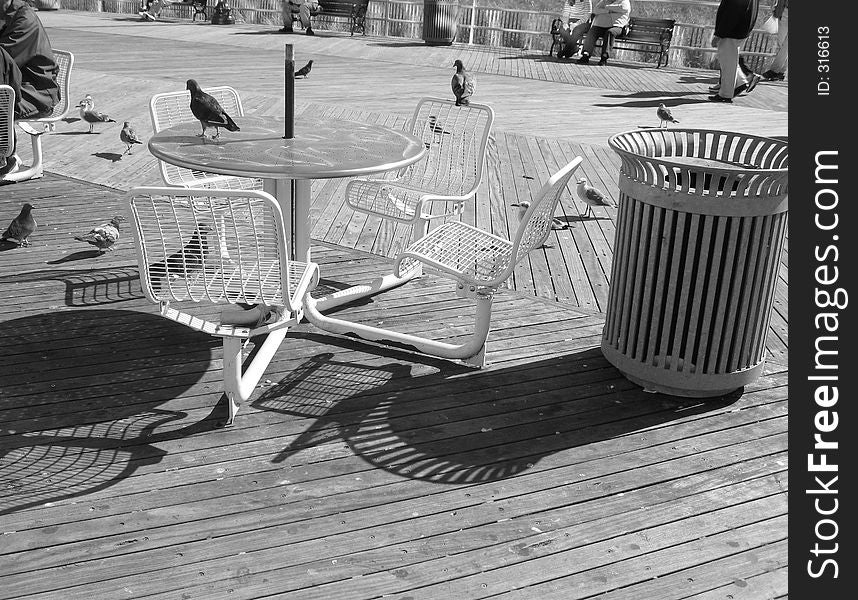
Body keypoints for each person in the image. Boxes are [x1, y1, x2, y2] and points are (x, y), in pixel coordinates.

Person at [1, 0, 60, 176]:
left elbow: (5, 61)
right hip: (20, 87)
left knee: (2, 100)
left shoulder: (24, 19)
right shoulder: (9, 15)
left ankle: (5, 158)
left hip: (38, 93)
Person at [709, 0, 759, 102]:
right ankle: (739, 83)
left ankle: (726, 94)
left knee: (727, 62)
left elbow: (732, 11)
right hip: (741, 28)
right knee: (731, 61)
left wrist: (719, 33)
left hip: (732, 31)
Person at [578, 0, 631, 66]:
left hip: (617, 26)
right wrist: (608, 11)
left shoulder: (624, 1)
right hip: (601, 25)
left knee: (610, 32)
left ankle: (604, 57)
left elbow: (622, 8)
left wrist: (605, 8)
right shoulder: (604, 1)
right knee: (593, 31)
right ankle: (586, 54)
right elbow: (595, 10)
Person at [761, 0, 787, 81]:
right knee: (781, 44)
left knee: (786, 45)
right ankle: (781, 72)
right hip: (784, 12)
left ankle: (774, 70)